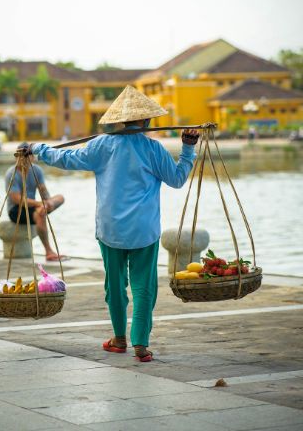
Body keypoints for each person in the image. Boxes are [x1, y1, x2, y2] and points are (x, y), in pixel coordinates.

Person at [24, 86, 198, 363]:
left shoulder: (102, 145)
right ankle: (140, 343)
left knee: (114, 286)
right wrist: (188, 148)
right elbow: (177, 179)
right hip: (144, 230)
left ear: (121, 120)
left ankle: (119, 339)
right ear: (147, 121)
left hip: (110, 229)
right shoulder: (153, 149)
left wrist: (36, 149)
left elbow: (65, 158)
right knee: (143, 289)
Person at [5, 152, 68, 262]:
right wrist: (39, 204)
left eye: (26, 156)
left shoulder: (36, 170)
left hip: (35, 206)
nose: (22, 159)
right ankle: (48, 251)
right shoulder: (11, 173)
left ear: (32, 157)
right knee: (40, 214)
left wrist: (47, 202)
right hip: (16, 210)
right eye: (19, 156)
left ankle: (44, 208)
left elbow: (43, 190)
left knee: (60, 198)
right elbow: (17, 200)